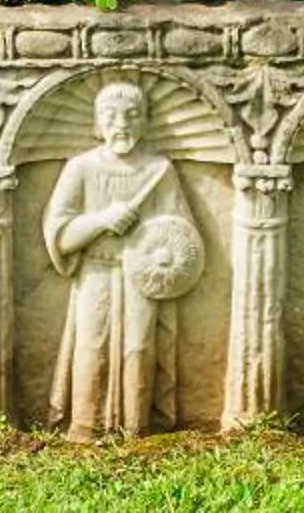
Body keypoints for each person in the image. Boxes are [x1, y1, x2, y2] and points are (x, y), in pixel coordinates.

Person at [42, 79, 203, 437]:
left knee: (139, 348)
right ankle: (85, 427)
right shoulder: (81, 168)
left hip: (142, 279)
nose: (122, 124)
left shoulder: (159, 170)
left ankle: (135, 427)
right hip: (95, 272)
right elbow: (60, 235)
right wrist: (102, 219)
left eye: (132, 115)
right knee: (90, 347)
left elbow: (182, 235)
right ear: (96, 123)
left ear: (146, 121)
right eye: (111, 115)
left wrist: (158, 251)